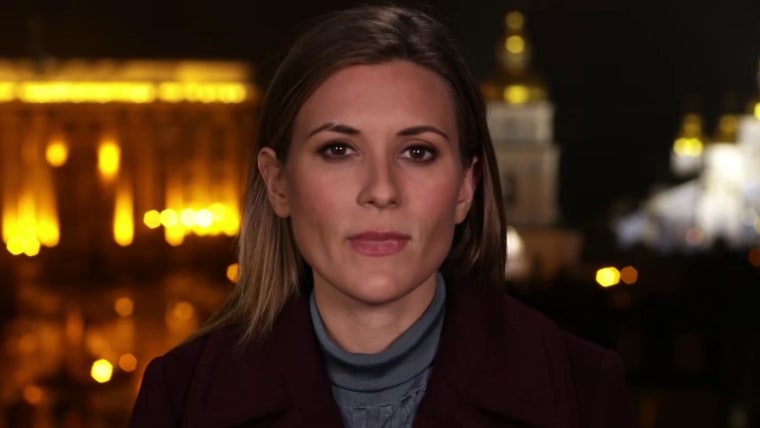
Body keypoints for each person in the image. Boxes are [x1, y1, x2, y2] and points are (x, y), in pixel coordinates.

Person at [130, 4, 639, 428]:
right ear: (278, 182)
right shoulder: (180, 397)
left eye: (417, 152)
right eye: (338, 150)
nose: (381, 191)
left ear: (466, 187)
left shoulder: (583, 393)